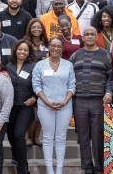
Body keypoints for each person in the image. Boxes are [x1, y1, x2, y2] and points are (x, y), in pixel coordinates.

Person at [69, 26, 113, 174]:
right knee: (83, 136)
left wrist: (108, 93)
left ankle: (99, 167)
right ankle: (87, 167)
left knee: (98, 135)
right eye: (86, 34)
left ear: (96, 37)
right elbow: (69, 79)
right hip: (79, 100)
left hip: (98, 101)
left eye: (92, 34)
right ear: (82, 37)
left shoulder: (106, 55)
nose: (89, 37)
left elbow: (110, 78)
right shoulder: (75, 56)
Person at [32, 37, 76, 174]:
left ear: (62, 49)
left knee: (61, 137)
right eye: (53, 45)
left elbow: (72, 85)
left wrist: (65, 101)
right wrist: (46, 101)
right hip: (45, 106)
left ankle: (59, 169)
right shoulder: (40, 65)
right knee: (47, 137)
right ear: (48, 47)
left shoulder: (68, 65)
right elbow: (36, 85)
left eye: (58, 46)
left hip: (65, 105)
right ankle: (50, 170)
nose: (55, 48)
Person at [6, 39, 36, 174]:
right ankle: (18, 157)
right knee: (11, 135)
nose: (22, 52)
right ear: (15, 50)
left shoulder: (33, 66)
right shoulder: (9, 67)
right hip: (11, 106)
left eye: (25, 50)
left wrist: (34, 98)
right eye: (20, 49)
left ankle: (22, 168)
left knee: (18, 134)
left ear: (29, 52)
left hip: (26, 105)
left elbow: (39, 85)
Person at [23, 18, 48, 147]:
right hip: (29, 79)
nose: (36, 29)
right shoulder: (25, 43)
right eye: (34, 27)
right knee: (31, 111)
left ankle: (37, 137)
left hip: (45, 80)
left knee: (41, 110)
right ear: (30, 29)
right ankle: (29, 137)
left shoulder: (47, 43)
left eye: (39, 27)